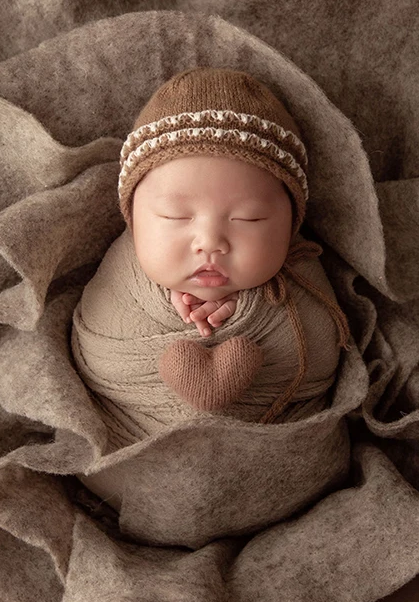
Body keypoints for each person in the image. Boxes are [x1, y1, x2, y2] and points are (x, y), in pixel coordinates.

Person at [71, 66, 350, 445]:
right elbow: (96, 351)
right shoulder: (120, 273)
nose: (210, 241)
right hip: (127, 444)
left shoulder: (301, 275)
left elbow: (322, 355)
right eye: (175, 216)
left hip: (280, 456)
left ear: (291, 225)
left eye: (248, 218)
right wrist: (162, 300)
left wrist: (254, 310)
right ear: (133, 221)